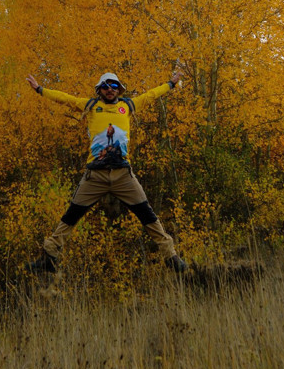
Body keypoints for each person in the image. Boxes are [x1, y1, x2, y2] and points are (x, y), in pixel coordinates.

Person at [25, 70, 187, 273]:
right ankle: (49, 256)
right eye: (105, 86)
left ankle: (170, 255)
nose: (109, 90)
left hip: (123, 175)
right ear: (99, 90)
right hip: (95, 175)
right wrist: (40, 89)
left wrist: (171, 84)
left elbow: (151, 95)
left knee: (147, 215)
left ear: (119, 89)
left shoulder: (127, 106)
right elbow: (65, 99)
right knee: (71, 215)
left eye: (113, 86)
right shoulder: (91, 106)